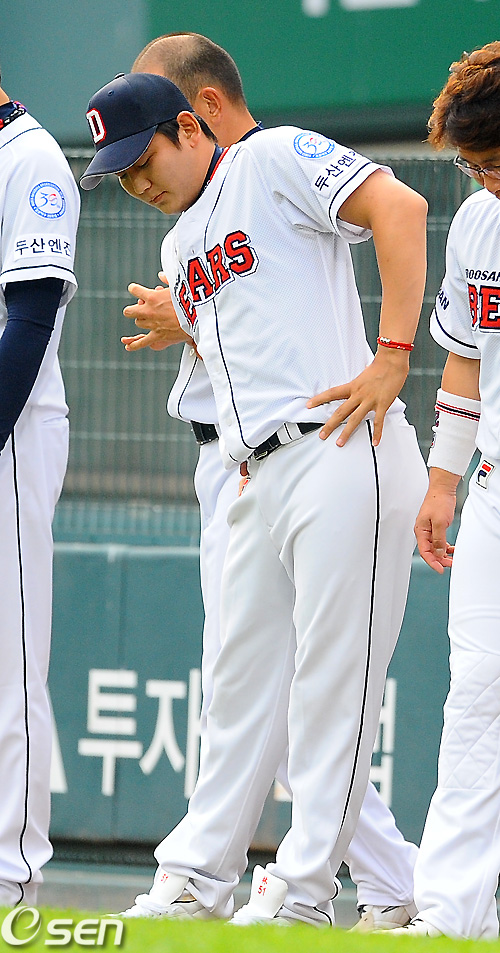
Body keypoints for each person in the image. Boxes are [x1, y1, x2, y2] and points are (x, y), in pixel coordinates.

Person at [81, 71, 427, 926]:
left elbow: (402, 206)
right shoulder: (177, 245)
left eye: (144, 159)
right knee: (238, 685)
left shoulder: (270, 158)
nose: (136, 182)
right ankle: (198, 878)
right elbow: (255, 332)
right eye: (121, 174)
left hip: (339, 446)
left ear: (191, 125)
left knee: (331, 688)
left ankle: (303, 891)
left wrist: (393, 354)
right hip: (258, 469)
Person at [392, 42, 500, 940]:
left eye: (495, 161)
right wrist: (442, 479)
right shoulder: (477, 221)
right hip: (494, 486)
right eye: (473, 165)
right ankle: (450, 911)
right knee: (476, 688)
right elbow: (465, 359)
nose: (486, 179)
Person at [0, 72, 79, 904]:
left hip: (12, 429)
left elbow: (28, 323)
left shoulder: (31, 160)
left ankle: (10, 876)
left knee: (9, 660)